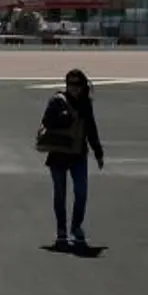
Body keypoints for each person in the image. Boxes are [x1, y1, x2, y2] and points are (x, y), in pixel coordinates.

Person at [36, 68, 106, 249]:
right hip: (58, 154)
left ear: (83, 86)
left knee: (81, 192)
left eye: (77, 84)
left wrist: (98, 151)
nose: (74, 88)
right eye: (70, 84)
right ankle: (61, 230)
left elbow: (91, 128)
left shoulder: (85, 104)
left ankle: (76, 226)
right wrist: (63, 118)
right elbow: (46, 121)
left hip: (78, 154)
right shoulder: (57, 101)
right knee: (60, 194)